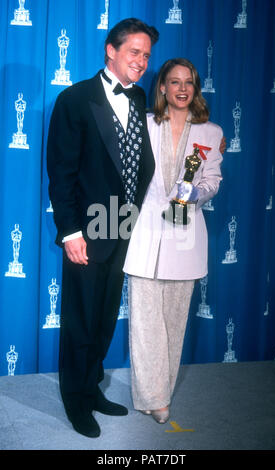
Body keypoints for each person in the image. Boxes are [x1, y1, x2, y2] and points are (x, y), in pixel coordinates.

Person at [47, 18, 159, 438]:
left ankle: (91, 388)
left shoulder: (140, 96)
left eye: (147, 55)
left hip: (123, 225)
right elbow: (61, 172)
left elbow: (140, 157)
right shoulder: (74, 99)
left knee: (105, 316)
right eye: (135, 52)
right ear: (110, 50)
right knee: (80, 318)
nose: (142, 62)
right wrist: (71, 232)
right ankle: (75, 402)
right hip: (88, 229)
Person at [123, 58, 224, 424]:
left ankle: (159, 392)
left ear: (195, 89)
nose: (182, 89)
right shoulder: (144, 125)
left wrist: (193, 192)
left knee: (173, 322)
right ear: (162, 87)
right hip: (145, 235)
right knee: (145, 322)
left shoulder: (211, 133)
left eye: (189, 82)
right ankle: (153, 397)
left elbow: (213, 180)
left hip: (185, 235)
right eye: (174, 81)